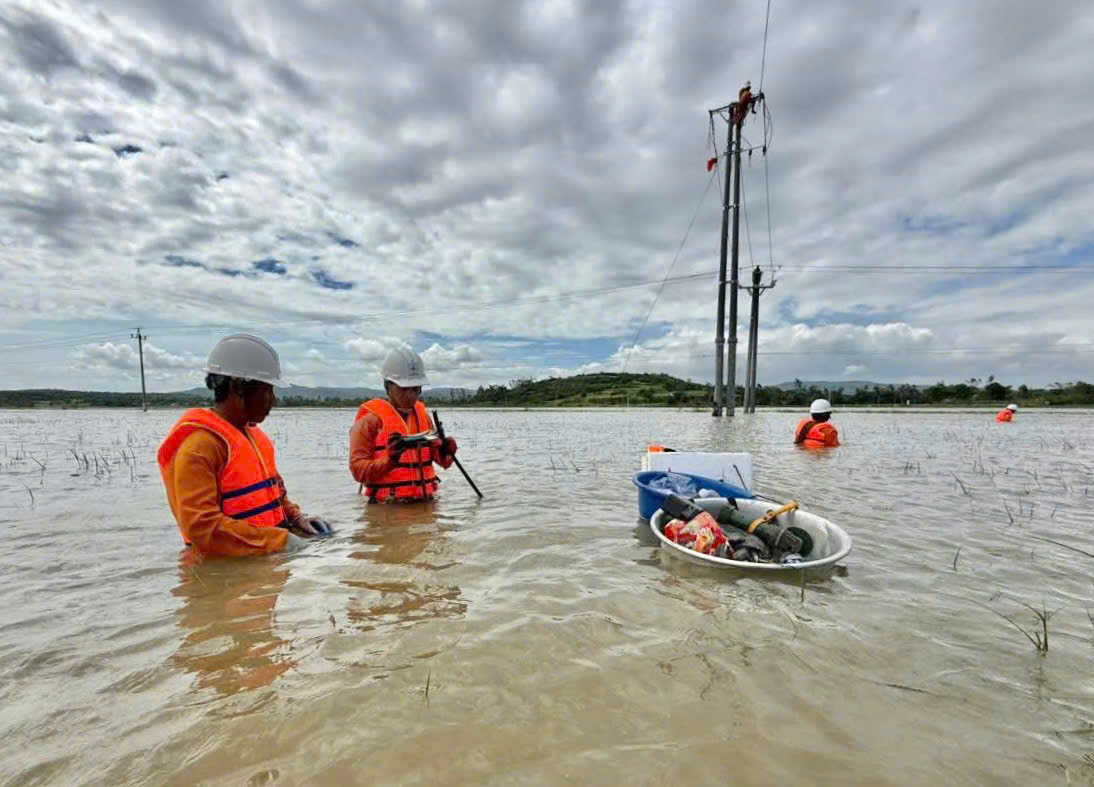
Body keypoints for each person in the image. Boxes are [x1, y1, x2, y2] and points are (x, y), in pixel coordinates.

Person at [158, 334, 330, 557]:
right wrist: (280, 541)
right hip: (223, 577)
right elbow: (203, 528)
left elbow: (275, 494)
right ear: (238, 388)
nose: (273, 401)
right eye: (267, 391)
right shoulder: (199, 447)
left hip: (267, 561)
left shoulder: (256, 438)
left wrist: (298, 518)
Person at [349, 347, 458, 502]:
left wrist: (447, 452)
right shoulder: (369, 422)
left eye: (415, 389)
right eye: (404, 388)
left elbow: (443, 462)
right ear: (388, 386)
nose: (410, 395)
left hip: (426, 503)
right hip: (386, 507)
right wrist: (390, 461)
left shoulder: (424, 418)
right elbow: (357, 471)